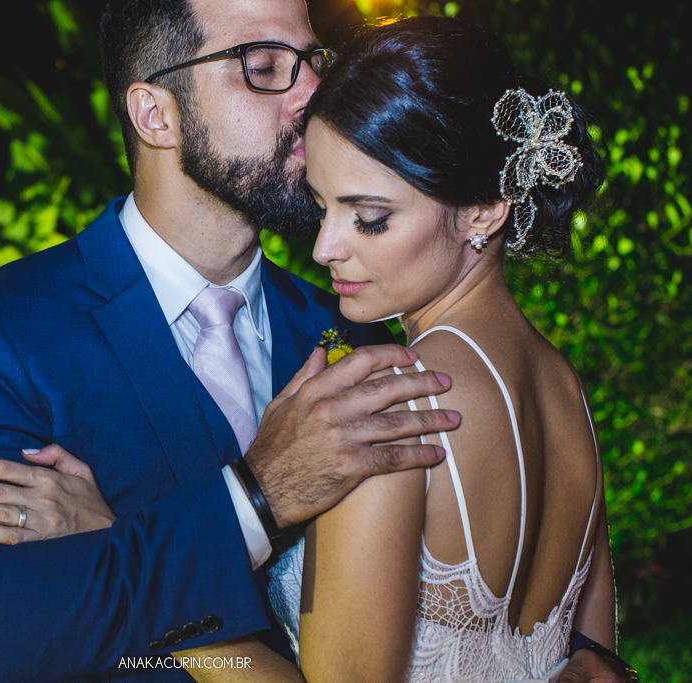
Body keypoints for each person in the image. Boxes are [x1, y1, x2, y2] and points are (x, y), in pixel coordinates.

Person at [0, 1, 630, 681]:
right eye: (262, 65)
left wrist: (587, 653)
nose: (313, 91)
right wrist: (253, 500)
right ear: (156, 114)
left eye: (314, 59)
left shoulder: (363, 342)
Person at [163, 15, 627, 683]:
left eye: (369, 218)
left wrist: (162, 604)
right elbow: (597, 653)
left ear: (485, 209)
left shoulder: (387, 411)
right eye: (322, 205)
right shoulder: (565, 388)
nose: (325, 247)